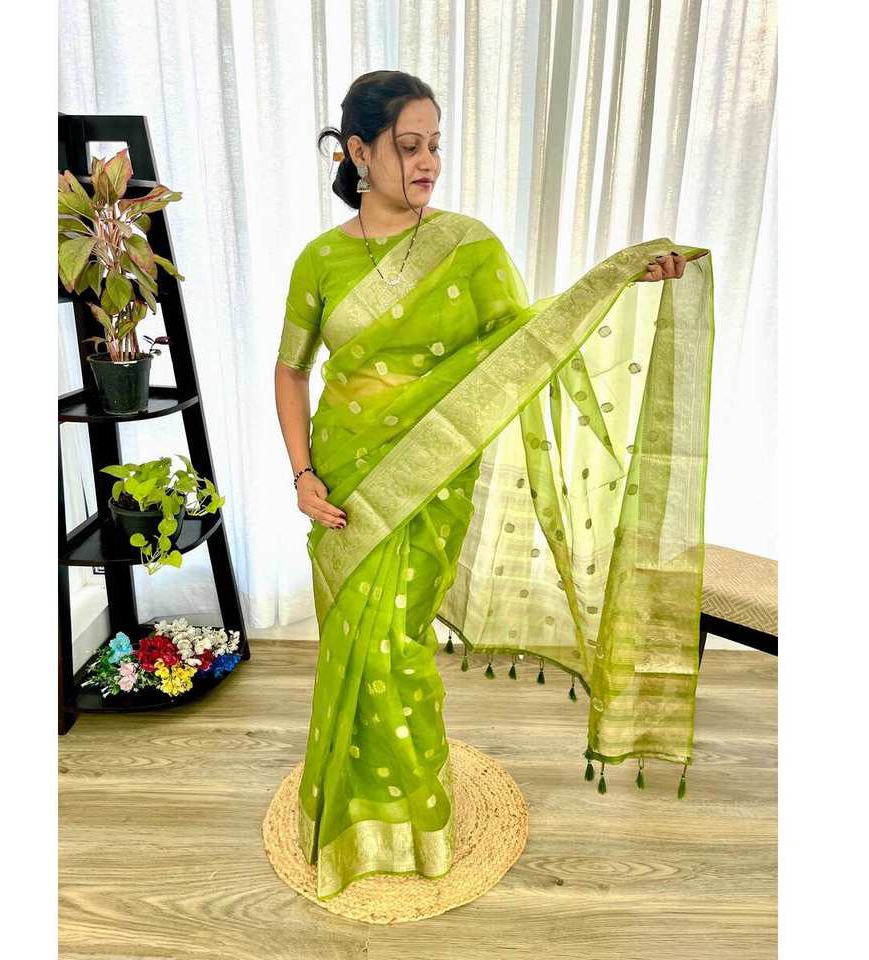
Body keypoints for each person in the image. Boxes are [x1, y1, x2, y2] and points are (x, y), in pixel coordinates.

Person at [273, 70, 713, 902]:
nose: (428, 162)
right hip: (344, 477)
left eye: (435, 145)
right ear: (358, 152)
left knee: (395, 644)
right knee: (352, 642)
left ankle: (413, 819)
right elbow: (291, 371)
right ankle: (355, 810)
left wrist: (616, 280)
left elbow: (526, 343)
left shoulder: (470, 248)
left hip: (431, 475)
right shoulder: (320, 261)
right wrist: (301, 473)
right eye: (409, 146)